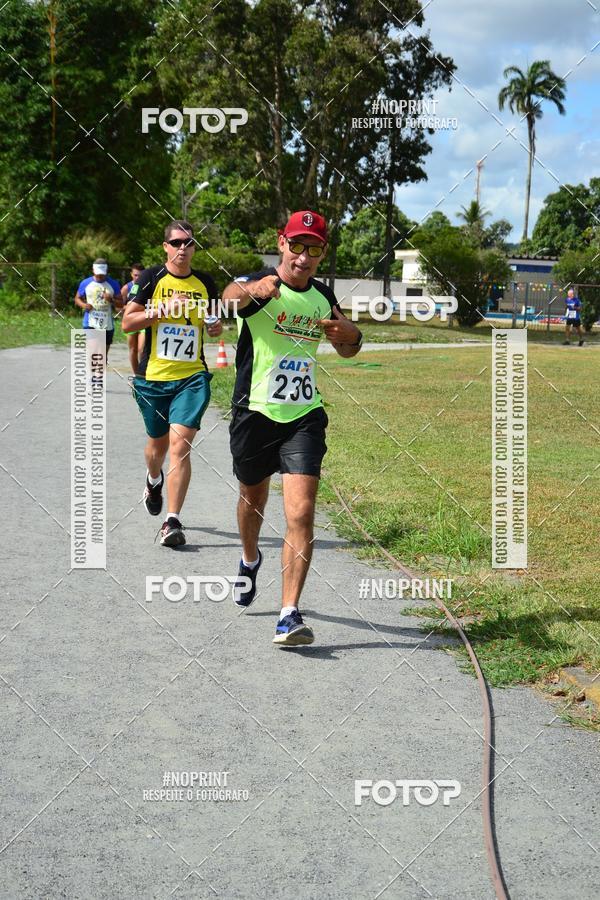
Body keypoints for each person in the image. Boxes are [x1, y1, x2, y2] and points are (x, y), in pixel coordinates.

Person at [222, 210, 363, 646]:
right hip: (254, 413)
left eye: (314, 248)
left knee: (301, 512)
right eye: (297, 245)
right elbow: (228, 298)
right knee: (252, 499)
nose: (304, 256)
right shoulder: (260, 285)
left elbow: (348, 346)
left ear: (323, 252)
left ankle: (288, 613)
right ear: (282, 243)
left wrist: (352, 335)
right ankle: (250, 559)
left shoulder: (322, 296)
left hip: (303, 416)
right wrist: (251, 290)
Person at [122, 221, 222, 546]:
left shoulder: (205, 282)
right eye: (176, 242)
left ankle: (172, 521)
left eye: (188, 243)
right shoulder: (151, 278)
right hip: (154, 378)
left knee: (180, 445)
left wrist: (216, 326)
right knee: (157, 448)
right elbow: (127, 322)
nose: (183, 248)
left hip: (192, 377)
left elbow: (214, 321)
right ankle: (154, 480)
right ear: (165, 246)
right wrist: (160, 311)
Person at [74, 259, 121, 360]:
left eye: (102, 274)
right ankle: (92, 370)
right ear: (93, 270)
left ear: (106, 271)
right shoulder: (86, 283)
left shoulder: (113, 284)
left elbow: (121, 304)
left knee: (103, 357)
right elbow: (77, 298)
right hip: (90, 322)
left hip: (107, 324)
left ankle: (99, 370)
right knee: (93, 353)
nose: (100, 276)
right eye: (98, 273)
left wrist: (111, 299)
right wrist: (84, 305)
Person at [120, 263, 145, 374]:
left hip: (143, 321)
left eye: (140, 275)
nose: (138, 277)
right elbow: (119, 305)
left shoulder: (147, 286)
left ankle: (142, 374)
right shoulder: (126, 288)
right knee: (133, 349)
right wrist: (126, 308)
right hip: (131, 322)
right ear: (131, 274)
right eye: (135, 275)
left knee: (141, 349)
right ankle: (136, 375)